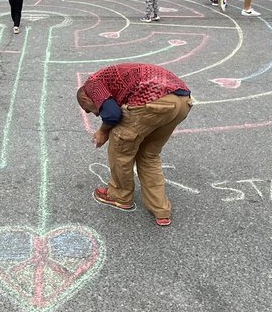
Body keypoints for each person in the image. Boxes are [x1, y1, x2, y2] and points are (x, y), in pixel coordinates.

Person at [78, 63, 193, 227]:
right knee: (149, 155)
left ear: (85, 98)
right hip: (183, 101)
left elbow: (112, 114)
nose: (93, 113)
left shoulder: (92, 85)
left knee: (120, 150)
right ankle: (161, 210)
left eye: (88, 109)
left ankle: (119, 196)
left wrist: (103, 131)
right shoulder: (106, 81)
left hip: (152, 101)